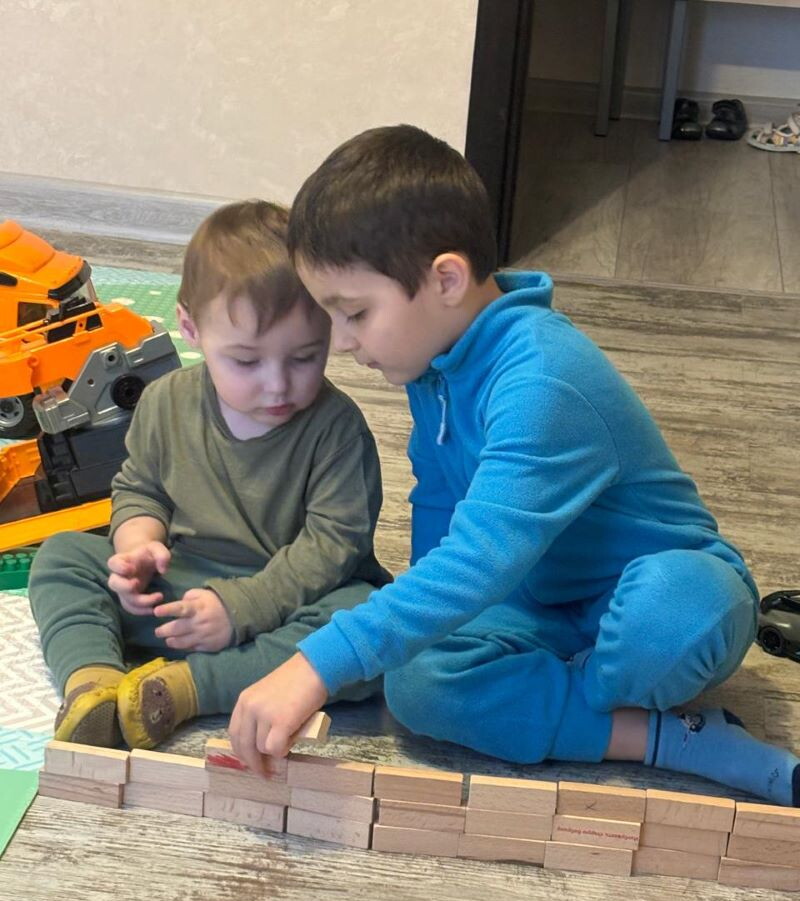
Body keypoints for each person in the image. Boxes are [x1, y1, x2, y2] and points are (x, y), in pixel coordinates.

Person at [227, 125, 800, 807]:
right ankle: (661, 736)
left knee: (678, 614)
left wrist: (317, 664)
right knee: (415, 684)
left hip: (655, 588)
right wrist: (413, 635)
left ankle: (575, 699)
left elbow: (477, 559)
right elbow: (439, 512)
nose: (343, 342)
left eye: (354, 313)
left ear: (446, 279)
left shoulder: (542, 381)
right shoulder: (434, 365)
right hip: (538, 602)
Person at [29, 199, 391, 750]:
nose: (277, 384)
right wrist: (136, 547)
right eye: (246, 361)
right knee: (61, 557)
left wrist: (240, 609)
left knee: (368, 624)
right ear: (190, 328)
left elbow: (333, 548)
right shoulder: (165, 402)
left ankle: (187, 688)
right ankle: (93, 683)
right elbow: (140, 488)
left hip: (289, 603)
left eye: (304, 357)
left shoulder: (338, 429)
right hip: (181, 595)